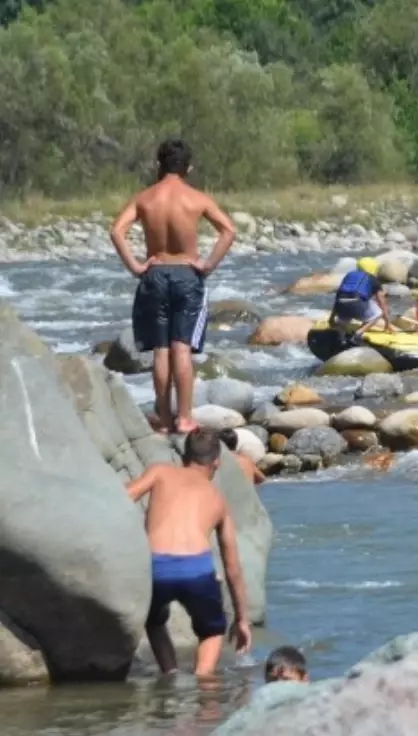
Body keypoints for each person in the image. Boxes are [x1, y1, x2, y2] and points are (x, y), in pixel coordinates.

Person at [110, 139, 237, 435]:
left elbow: (117, 230)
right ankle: (185, 418)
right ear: (188, 168)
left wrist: (135, 266)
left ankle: (165, 420)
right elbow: (229, 230)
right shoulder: (197, 199)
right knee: (182, 349)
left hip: (154, 275)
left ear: (158, 165)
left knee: (161, 351)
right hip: (186, 274)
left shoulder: (144, 198)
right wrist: (207, 264)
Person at [124, 428, 252, 677]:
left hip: (157, 567)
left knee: (154, 620)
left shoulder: (161, 471)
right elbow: (232, 566)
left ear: (184, 458)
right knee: (212, 632)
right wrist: (242, 619)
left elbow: (126, 495)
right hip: (198, 570)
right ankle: (203, 684)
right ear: (216, 462)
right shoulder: (218, 499)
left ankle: (170, 673)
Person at [330, 257, 392, 339]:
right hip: (357, 302)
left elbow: (339, 295)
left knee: (344, 319)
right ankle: (358, 333)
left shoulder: (350, 275)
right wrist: (387, 322)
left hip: (341, 304)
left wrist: (331, 317)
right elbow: (381, 302)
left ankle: (340, 335)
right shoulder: (373, 280)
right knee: (379, 313)